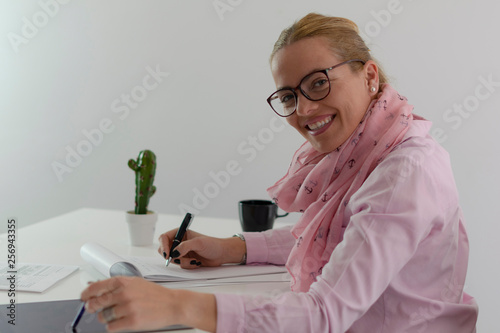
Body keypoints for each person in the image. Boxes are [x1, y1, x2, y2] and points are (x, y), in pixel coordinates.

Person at [81, 13, 479, 332]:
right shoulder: (368, 151)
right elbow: (337, 235)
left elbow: (324, 315)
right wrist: (232, 248)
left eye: (318, 83)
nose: (304, 110)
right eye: (290, 96)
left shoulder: (403, 171)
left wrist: (177, 304)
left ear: (370, 76)